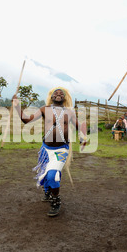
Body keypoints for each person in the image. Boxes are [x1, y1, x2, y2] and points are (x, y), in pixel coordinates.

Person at [12, 87, 87, 217]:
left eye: (61, 93)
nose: (58, 94)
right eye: (55, 93)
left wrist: (83, 138)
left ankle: (55, 202)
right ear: (51, 97)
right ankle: (47, 191)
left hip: (61, 149)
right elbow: (26, 119)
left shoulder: (69, 112)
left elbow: (79, 126)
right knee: (46, 174)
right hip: (46, 149)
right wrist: (17, 106)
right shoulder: (44, 109)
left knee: (53, 175)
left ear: (65, 98)